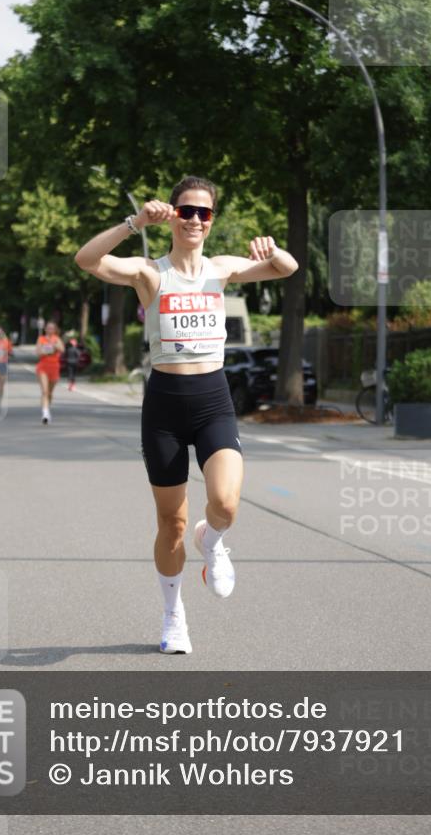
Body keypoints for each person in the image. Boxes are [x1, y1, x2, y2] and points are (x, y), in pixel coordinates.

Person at [75, 176, 298, 654]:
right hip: (164, 407)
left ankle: (213, 543)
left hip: (213, 400)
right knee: (171, 523)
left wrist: (271, 248)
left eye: (205, 213)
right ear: (173, 214)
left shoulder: (222, 269)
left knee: (226, 503)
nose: (195, 219)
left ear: (211, 221)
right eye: (187, 211)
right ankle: (173, 616)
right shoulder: (149, 274)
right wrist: (133, 223)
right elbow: (87, 260)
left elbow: (286, 268)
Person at [35, 321, 64, 424]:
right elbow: (38, 352)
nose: (50, 330)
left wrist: (55, 346)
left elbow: (62, 349)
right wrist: (44, 350)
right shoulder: (41, 339)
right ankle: (45, 414)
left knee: (50, 393)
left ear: (55, 330)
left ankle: (47, 408)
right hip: (43, 367)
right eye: (48, 328)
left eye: (52, 328)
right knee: (45, 391)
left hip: (54, 367)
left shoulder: (57, 339)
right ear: (45, 329)